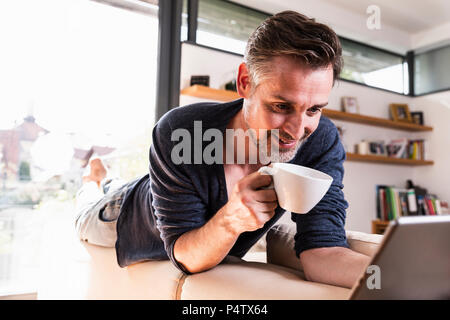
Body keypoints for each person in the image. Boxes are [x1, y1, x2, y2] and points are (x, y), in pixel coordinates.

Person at [75, 10, 371, 289]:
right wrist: (230, 220)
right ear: (245, 82)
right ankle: (93, 180)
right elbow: (185, 256)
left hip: (166, 192)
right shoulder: (184, 132)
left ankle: (105, 178)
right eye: (281, 106)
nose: (297, 130)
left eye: (314, 109)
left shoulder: (320, 142)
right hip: (126, 212)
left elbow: (324, 249)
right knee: (86, 209)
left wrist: (398, 280)